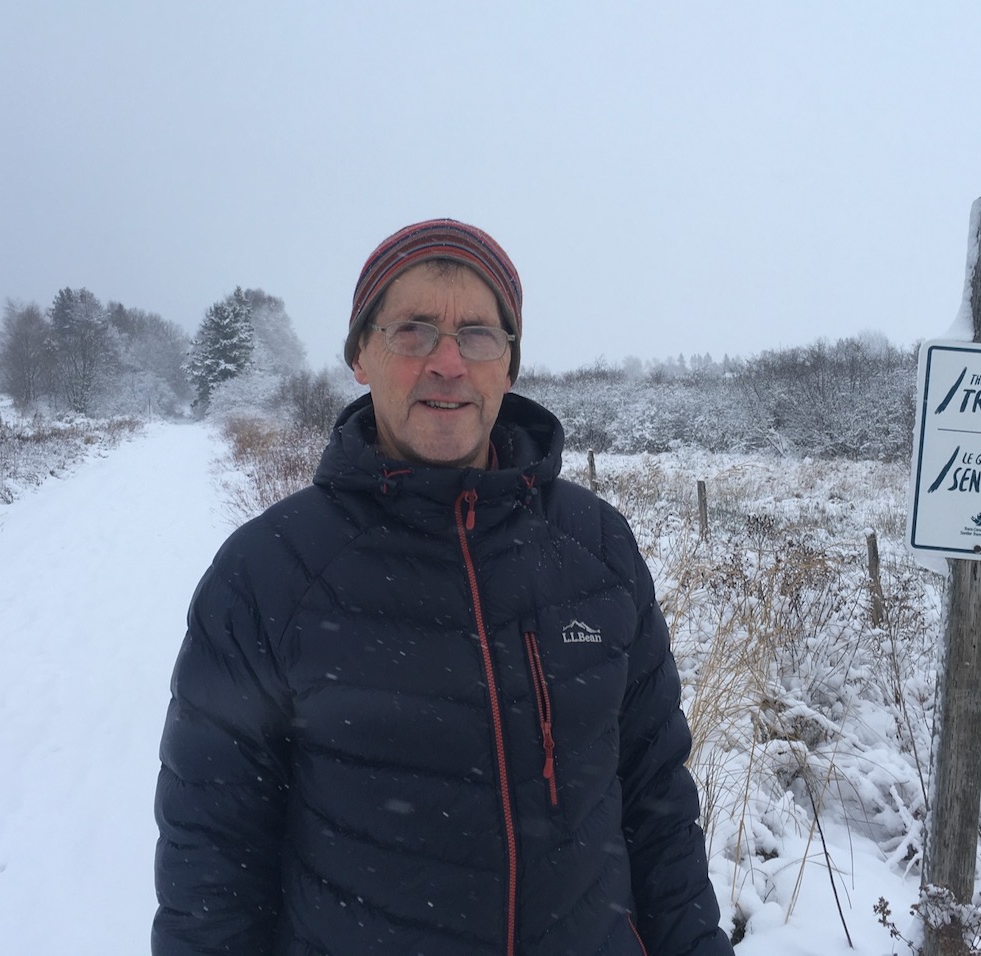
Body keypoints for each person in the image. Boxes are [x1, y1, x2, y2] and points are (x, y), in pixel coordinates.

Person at [152, 219, 733, 955]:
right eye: (413, 330)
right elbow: (212, 867)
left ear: (510, 364)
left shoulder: (597, 549)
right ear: (361, 354)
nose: (448, 363)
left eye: (479, 335)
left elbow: (657, 807)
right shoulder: (269, 575)